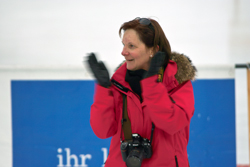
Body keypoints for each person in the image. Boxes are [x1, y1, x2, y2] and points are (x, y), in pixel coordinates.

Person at [87, 17, 196, 167]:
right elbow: (102, 130)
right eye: (124, 45)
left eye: (131, 46)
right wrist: (104, 89)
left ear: (153, 50)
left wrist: (151, 85)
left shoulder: (177, 82)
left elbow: (172, 123)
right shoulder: (119, 83)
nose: (123, 52)